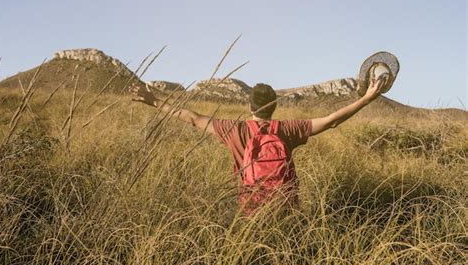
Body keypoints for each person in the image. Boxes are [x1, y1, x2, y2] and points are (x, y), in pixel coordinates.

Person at [129, 74, 388, 214]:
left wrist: (154, 101)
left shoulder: (235, 130)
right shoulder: (288, 129)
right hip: (286, 208)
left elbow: (193, 118)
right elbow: (332, 120)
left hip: (251, 210)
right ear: (274, 107)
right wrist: (366, 98)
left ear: (249, 106)